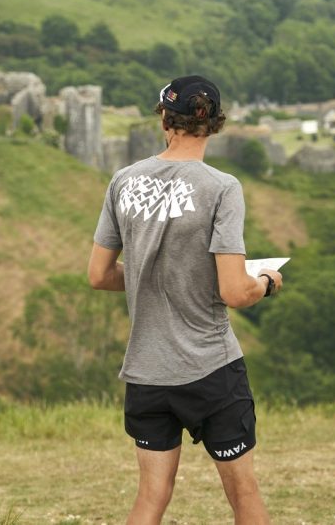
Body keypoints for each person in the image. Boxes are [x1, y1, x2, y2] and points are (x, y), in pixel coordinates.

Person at [87, 75, 282, 525]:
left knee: (151, 496)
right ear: (214, 124)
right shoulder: (222, 188)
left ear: (164, 119)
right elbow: (234, 291)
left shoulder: (123, 181)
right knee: (244, 493)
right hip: (210, 368)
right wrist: (267, 282)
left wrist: (150, 278)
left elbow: (99, 275)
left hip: (146, 372)